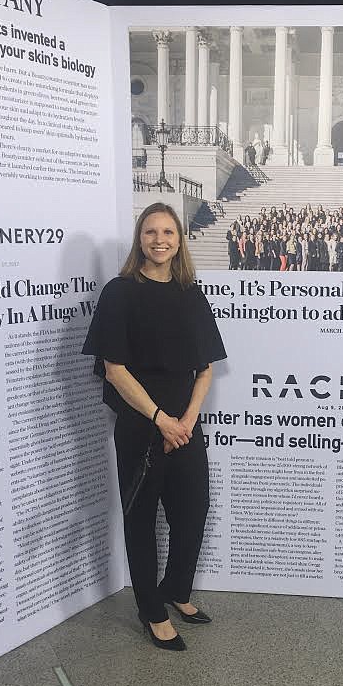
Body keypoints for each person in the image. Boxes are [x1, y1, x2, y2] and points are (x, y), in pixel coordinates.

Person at [82, 203, 227, 652]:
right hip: (142, 424)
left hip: (184, 425)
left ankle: (176, 590)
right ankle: (151, 610)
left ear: (179, 239)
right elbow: (115, 369)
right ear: (139, 239)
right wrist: (161, 420)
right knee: (141, 519)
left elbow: (205, 368)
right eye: (151, 232)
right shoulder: (120, 292)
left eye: (168, 231)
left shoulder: (191, 292)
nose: (160, 239)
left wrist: (185, 420)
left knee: (194, 510)